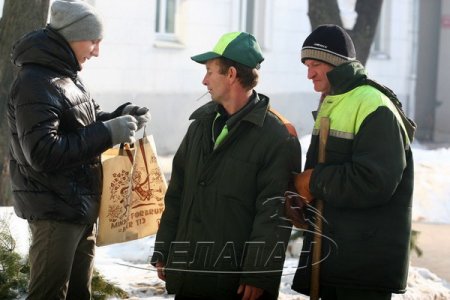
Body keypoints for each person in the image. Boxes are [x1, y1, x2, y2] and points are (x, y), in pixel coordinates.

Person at [7, 0, 150, 299]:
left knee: (78, 294)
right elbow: (44, 152)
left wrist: (122, 115)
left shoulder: (67, 74)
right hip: (54, 211)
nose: (97, 50)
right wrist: (109, 133)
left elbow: (86, 121)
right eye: (94, 41)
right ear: (72, 36)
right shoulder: (36, 82)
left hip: (78, 208)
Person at [151, 32, 301, 300]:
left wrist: (259, 273)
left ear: (231, 74)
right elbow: (177, 193)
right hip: (190, 275)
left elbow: (273, 213)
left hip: (237, 285)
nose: (204, 80)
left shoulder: (277, 137)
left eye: (210, 71)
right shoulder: (200, 126)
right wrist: (164, 249)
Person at [289, 24, 416, 300]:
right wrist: (305, 201)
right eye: (306, 65)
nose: (309, 73)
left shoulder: (374, 105)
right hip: (337, 259)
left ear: (335, 64)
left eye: (315, 64)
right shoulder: (335, 101)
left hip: (362, 269)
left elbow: (375, 181)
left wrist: (313, 181)